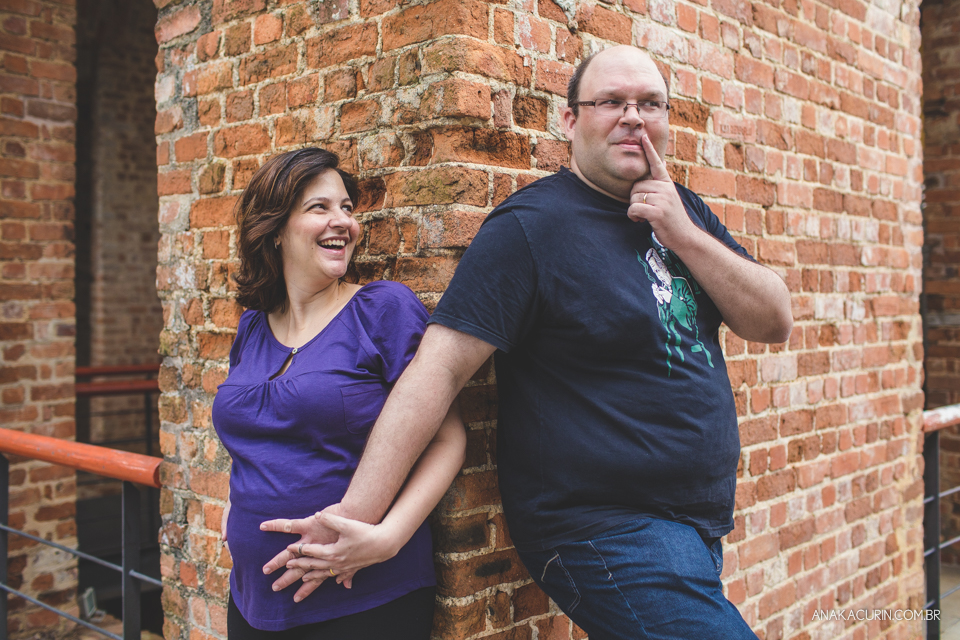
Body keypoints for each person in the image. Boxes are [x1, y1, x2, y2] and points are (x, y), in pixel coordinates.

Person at [283, 45, 794, 639]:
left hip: (694, 525)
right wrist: (356, 514)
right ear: (570, 120)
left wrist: (683, 233)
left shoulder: (684, 213)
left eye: (650, 104)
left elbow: (773, 320)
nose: (633, 117)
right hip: (602, 528)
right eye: (611, 102)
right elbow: (439, 369)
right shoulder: (531, 227)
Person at [211, 147, 466, 639]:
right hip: (252, 599)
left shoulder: (383, 310)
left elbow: (448, 439)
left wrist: (388, 538)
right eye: (320, 207)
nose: (343, 222)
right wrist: (236, 504)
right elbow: (253, 434)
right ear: (276, 229)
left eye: (347, 208)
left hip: (363, 597)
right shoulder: (252, 328)